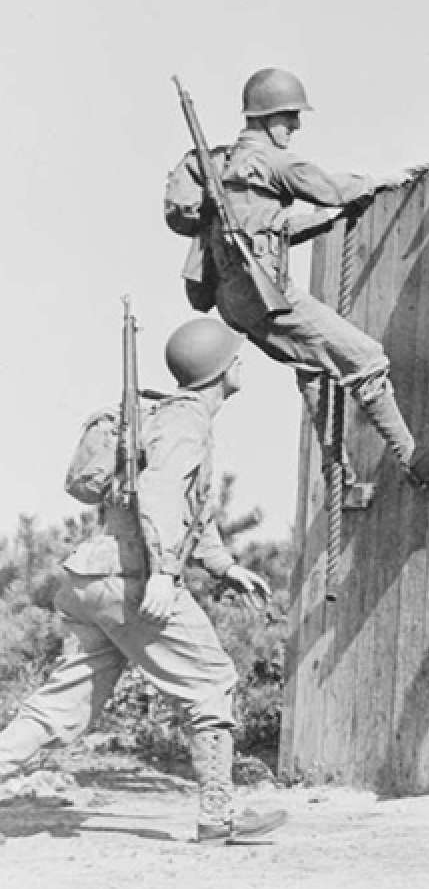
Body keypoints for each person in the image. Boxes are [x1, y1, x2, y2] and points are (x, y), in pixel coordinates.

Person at [0, 318, 288, 843]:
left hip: (92, 579)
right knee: (210, 681)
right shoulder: (184, 423)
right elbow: (159, 499)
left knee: (66, 699)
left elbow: (188, 512)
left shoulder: (162, 416)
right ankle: (219, 814)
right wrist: (165, 575)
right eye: (238, 358)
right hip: (132, 580)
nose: (242, 365)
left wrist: (222, 566)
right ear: (221, 370)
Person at [180, 67, 429, 488]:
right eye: (289, 115)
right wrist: (385, 181)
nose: (295, 125)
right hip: (265, 292)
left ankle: (335, 471)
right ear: (267, 116)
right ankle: (413, 458)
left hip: (234, 299)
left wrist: (323, 223)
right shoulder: (270, 159)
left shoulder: (229, 165)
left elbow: (268, 227)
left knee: (312, 365)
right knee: (365, 357)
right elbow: (331, 188)